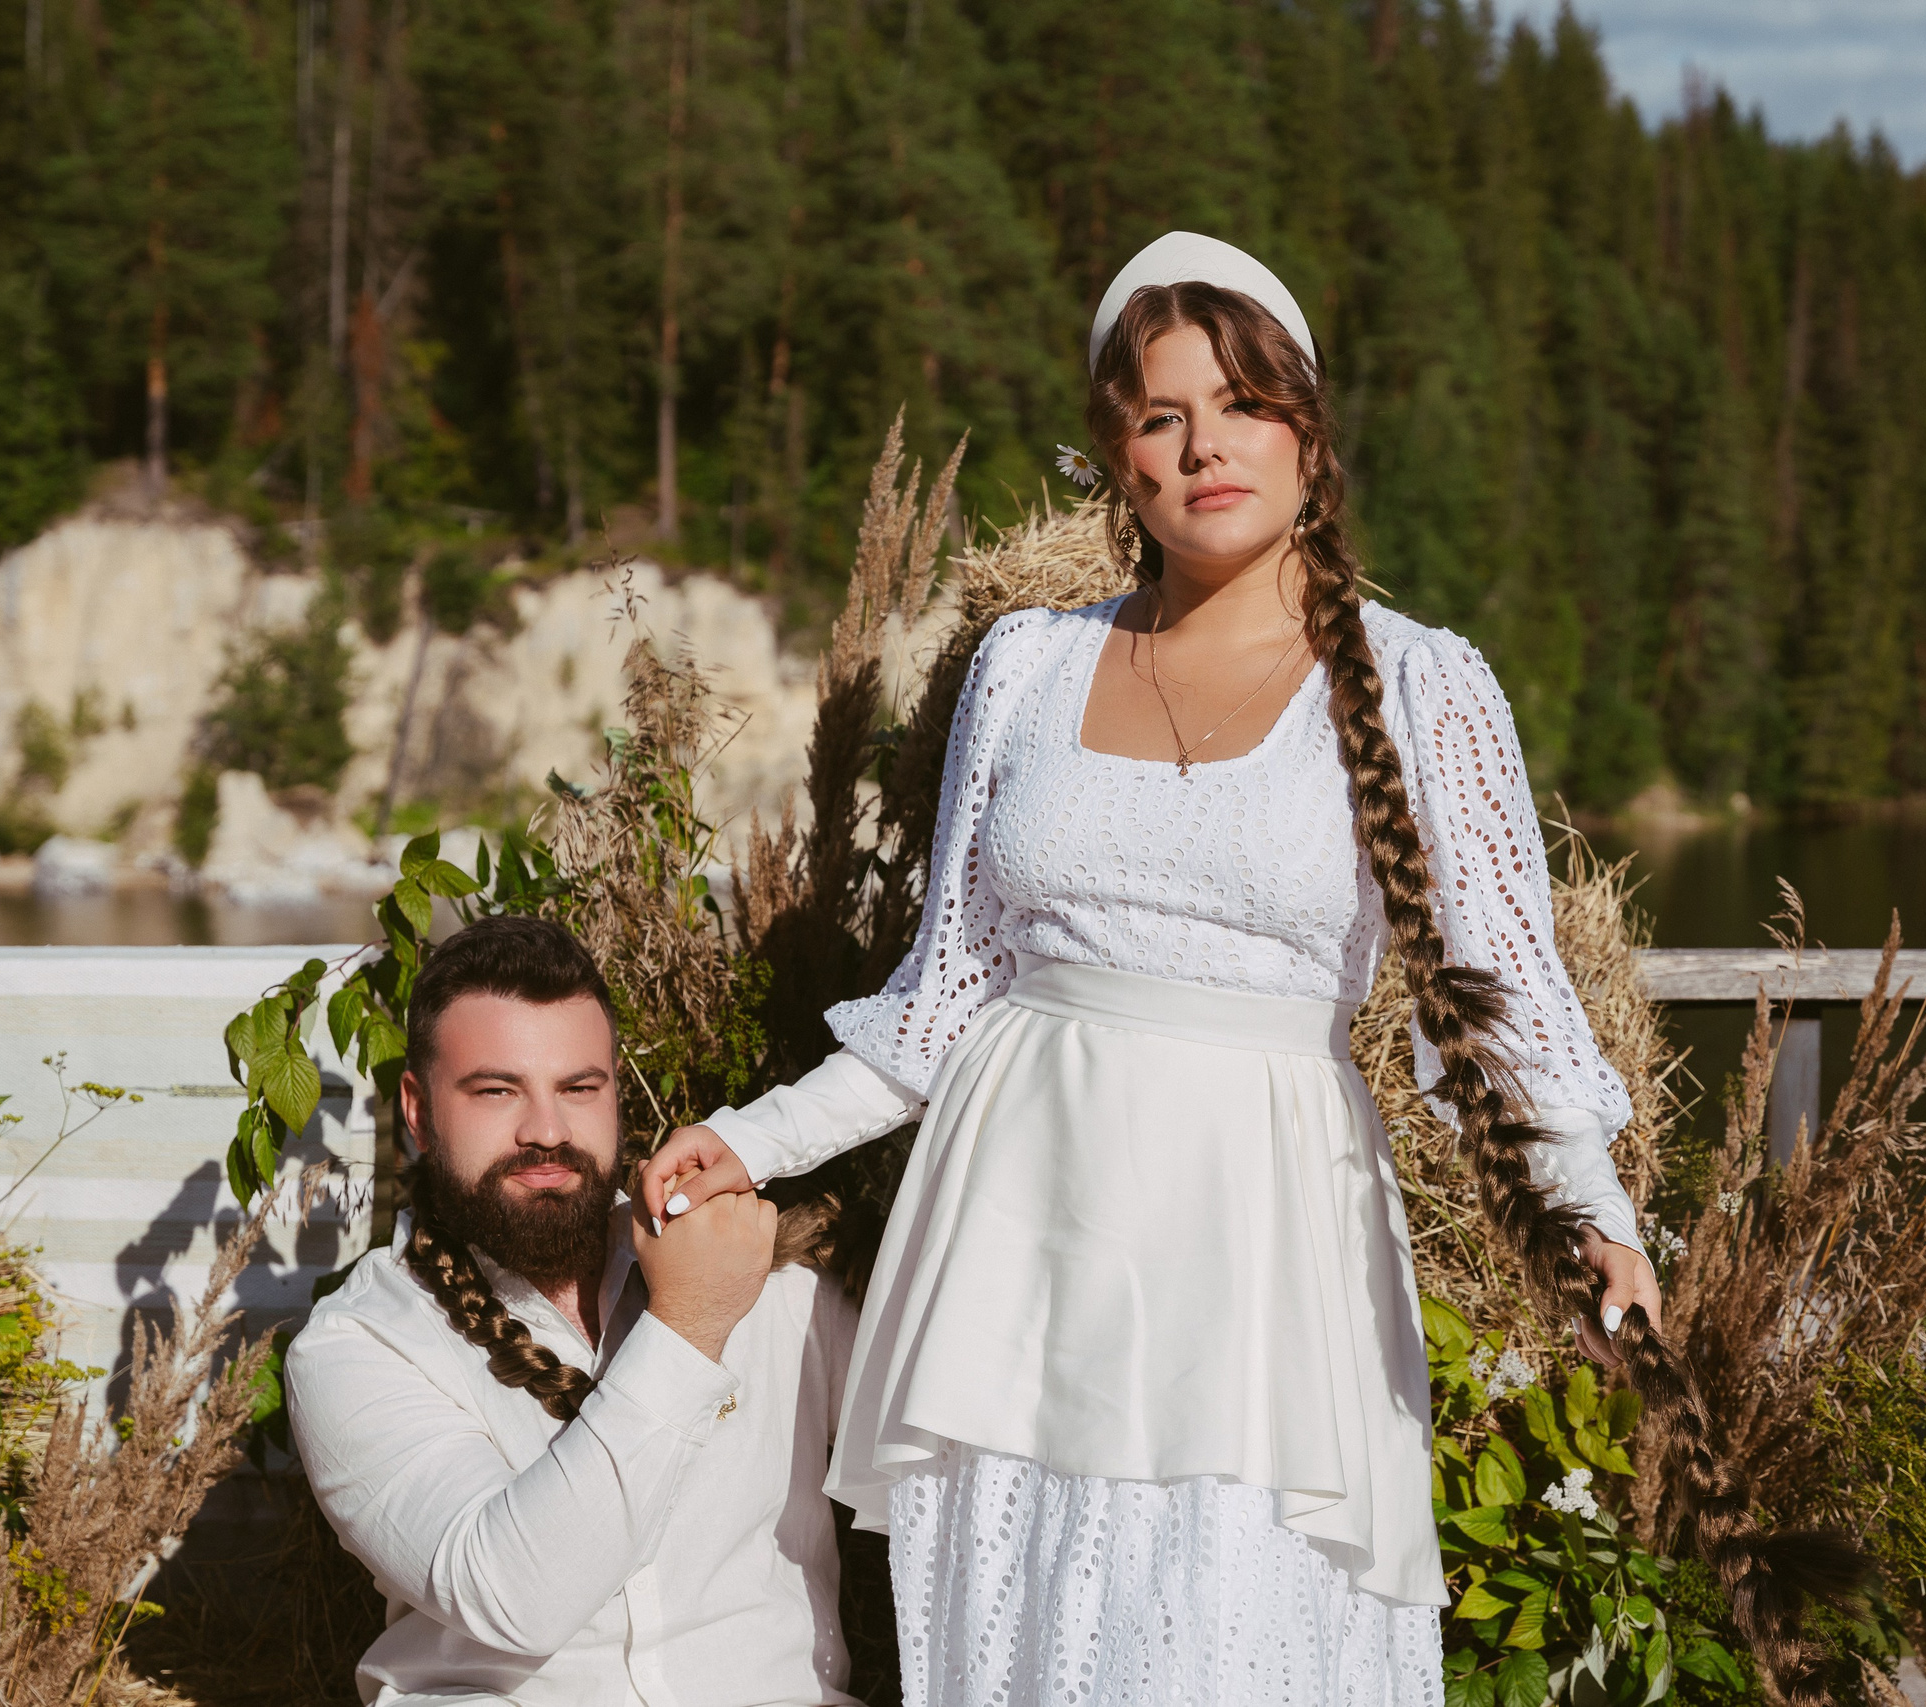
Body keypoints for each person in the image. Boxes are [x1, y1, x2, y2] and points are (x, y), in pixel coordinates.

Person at [640, 232, 1661, 1706]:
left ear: (1309, 432)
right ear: (1117, 455)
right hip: (1015, 1231)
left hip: (1260, 1247)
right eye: (1162, 416)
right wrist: (751, 1137)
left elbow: (1503, 1011)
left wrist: (1596, 1225)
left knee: (1231, 1628)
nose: (1205, 447)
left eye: (1243, 403)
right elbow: (943, 1001)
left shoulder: (1425, 682)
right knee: (1022, 1631)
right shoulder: (1026, 668)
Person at [286, 914, 863, 1707]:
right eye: (497, 1090)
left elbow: (956, 1450)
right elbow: (512, 1595)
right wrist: (690, 1325)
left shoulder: (766, 1271)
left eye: (578, 1088)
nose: (547, 1130)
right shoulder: (362, 1343)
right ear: (418, 1110)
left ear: (614, 1092)